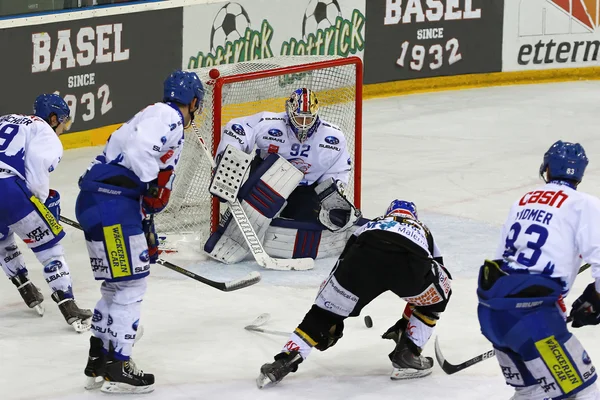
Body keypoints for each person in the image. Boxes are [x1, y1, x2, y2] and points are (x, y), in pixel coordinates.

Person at [76, 70, 204, 394]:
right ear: (193, 101)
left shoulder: (147, 116)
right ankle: (118, 365)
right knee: (131, 287)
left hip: (99, 204)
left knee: (115, 286)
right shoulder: (169, 115)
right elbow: (141, 154)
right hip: (112, 206)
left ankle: (99, 358)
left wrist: (145, 222)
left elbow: (133, 162)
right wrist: (151, 186)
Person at [256, 200, 452, 388]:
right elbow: (438, 269)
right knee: (436, 299)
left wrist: (329, 309)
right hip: (410, 263)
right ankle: (409, 352)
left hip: (362, 259)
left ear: (388, 213)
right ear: (413, 216)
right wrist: (408, 318)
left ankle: (284, 360)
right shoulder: (421, 228)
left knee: (322, 314)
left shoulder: (374, 223)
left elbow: (343, 261)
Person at [477, 140, 600, 400]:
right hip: (534, 317)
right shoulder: (584, 204)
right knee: (583, 391)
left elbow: (501, 260)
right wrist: (596, 298)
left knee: (531, 391)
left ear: (547, 169)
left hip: (492, 313)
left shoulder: (522, 200)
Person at [204, 88, 361, 263]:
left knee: (305, 228)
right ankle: (230, 240)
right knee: (264, 199)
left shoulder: (333, 136)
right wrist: (230, 158)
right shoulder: (269, 122)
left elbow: (338, 170)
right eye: (299, 118)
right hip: (269, 179)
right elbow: (238, 128)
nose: (303, 124)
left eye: (308, 119)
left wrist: (333, 194)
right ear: (289, 112)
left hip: (305, 188)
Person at [0, 93, 92, 332]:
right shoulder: (46, 133)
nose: (63, 128)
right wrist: (41, 204)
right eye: (64, 122)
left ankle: (26, 289)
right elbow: (37, 169)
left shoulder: (7, 119)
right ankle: (68, 305)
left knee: (3, 239)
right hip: (7, 189)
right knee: (49, 248)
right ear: (53, 118)